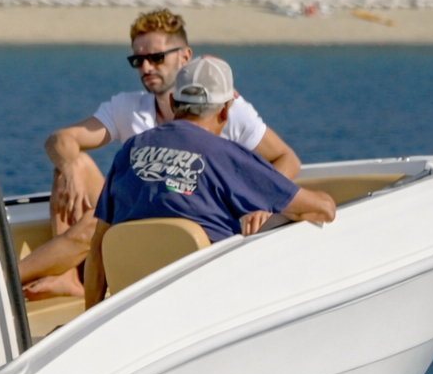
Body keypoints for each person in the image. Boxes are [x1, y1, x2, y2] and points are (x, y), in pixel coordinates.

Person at [22, 9, 302, 299]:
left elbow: (287, 158)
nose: (146, 67)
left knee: (97, 223)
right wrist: (70, 170)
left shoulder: (226, 108)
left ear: (185, 56)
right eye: (138, 60)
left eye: (156, 58)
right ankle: (68, 276)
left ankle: (6, 279)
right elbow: (60, 139)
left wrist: (261, 204)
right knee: (70, 164)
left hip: (200, 222)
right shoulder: (127, 107)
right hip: (142, 213)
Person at [84, 56, 336, 308]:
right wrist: (269, 206)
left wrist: (90, 317)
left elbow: (97, 247)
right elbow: (324, 209)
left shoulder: (130, 150)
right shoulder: (227, 157)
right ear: (225, 110)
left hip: (131, 307)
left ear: (172, 102)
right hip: (205, 306)